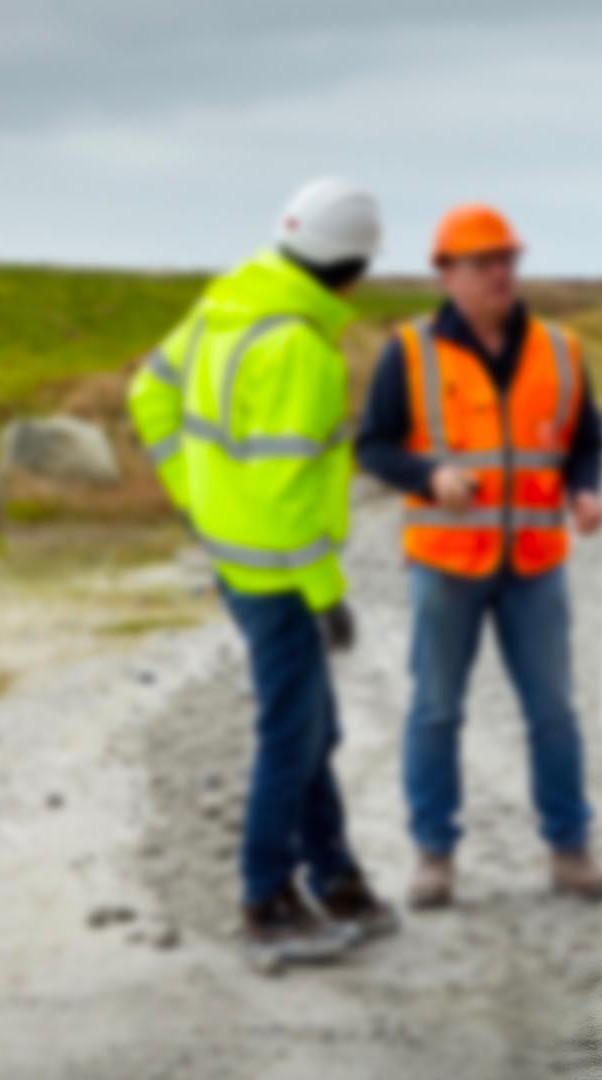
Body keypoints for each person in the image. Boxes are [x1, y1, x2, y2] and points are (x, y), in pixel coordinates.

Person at [127, 177, 399, 970]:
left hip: (234, 563)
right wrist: (328, 597)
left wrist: (194, 500)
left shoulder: (226, 307)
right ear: (355, 269)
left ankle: (339, 880)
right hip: (278, 578)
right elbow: (287, 505)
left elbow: (149, 397)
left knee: (316, 727)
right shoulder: (302, 352)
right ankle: (267, 899)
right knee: (294, 734)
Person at [354, 203, 602, 908]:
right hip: (446, 562)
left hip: (534, 563)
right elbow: (373, 445)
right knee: (436, 711)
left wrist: (584, 492)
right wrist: (428, 478)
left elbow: (583, 440)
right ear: (447, 274)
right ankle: (433, 858)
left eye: (506, 258)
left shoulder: (556, 350)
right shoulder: (409, 353)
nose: (500, 272)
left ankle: (570, 851)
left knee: (553, 712)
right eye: (483, 262)